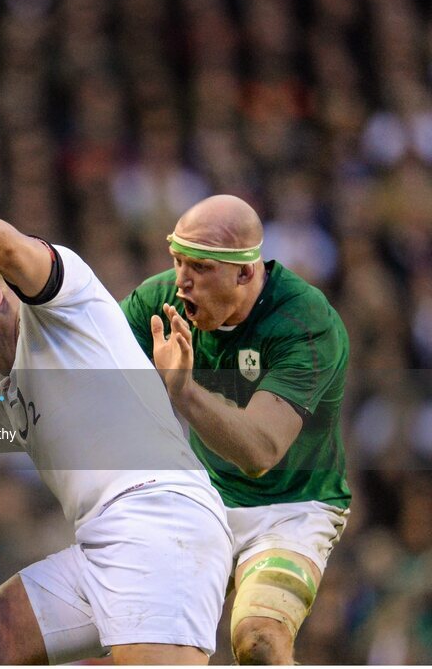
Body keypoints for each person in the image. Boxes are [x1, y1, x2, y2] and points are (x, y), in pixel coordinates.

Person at [0, 199, 234, 664]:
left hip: (159, 517)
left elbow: (5, 246)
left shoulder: (65, 303)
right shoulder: (14, 401)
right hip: (98, 544)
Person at [120, 194, 350, 664]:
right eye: (178, 261)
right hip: (204, 502)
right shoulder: (163, 300)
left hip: (290, 510)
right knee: (140, 642)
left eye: (200, 268)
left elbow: (260, 451)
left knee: (259, 640)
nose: (181, 282)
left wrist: (183, 392)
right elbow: (84, 363)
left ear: (245, 272)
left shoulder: (304, 321)